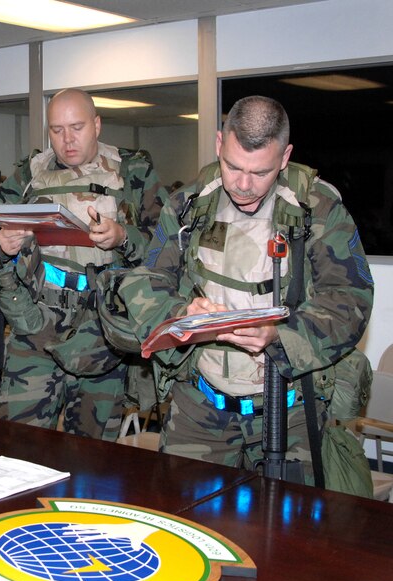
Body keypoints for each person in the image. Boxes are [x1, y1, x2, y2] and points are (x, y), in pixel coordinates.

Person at [115, 95, 373, 483]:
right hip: (200, 410)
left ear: (285, 157)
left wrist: (279, 337)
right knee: (182, 516)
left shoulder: (316, 209)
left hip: (290, 412)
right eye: (233, 166)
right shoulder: (189, 205)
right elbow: (147, 279)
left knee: (291, 537)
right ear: (220, 143)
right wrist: (182, 313)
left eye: (261, 172)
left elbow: (351, 301)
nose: (243, 185)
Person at [0, 88, 167, 439]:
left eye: (77, 127)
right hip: (35, 325)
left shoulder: (132, 171)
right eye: (56, 130)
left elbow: (167, 249)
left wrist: (122, 237)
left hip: (102, 331)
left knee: (94, 460)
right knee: (18, 448)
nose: (66, 139)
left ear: (97, 125)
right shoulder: (30, 173)